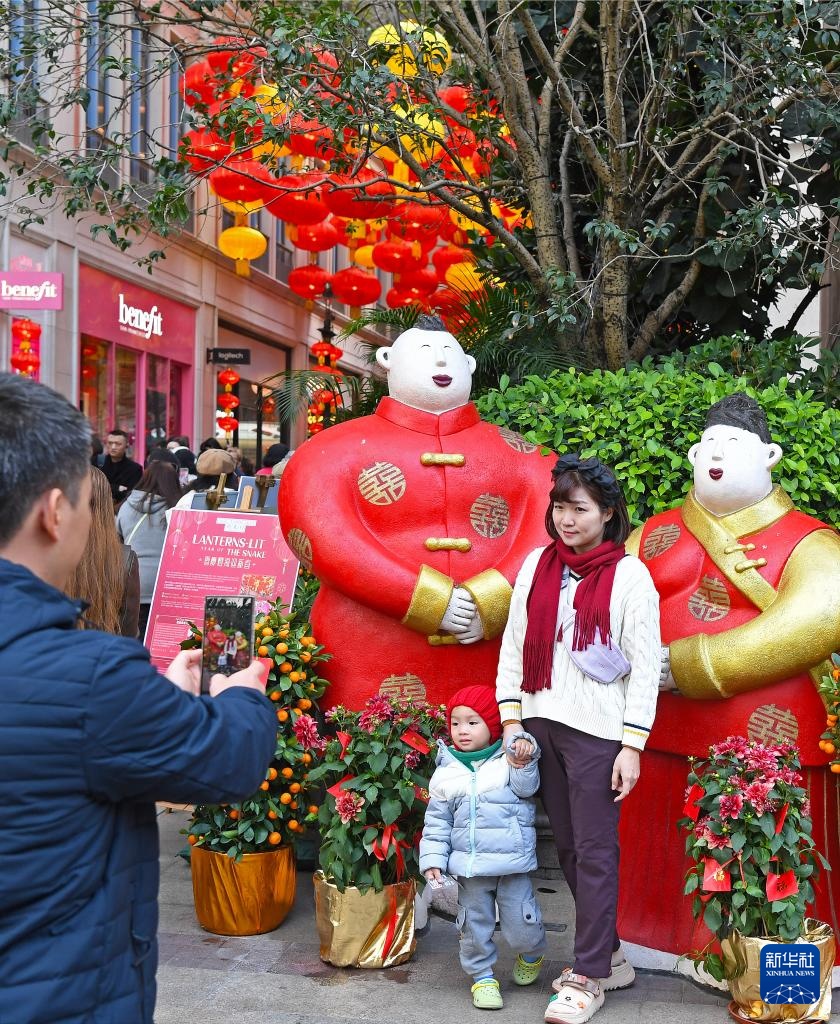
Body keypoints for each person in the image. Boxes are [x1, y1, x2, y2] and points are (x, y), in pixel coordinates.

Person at [0, 372, 277, 1024]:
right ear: (54, 510)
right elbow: (227, 760)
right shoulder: (93, 678)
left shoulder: (101, 688)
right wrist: (239, 694)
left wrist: (152, 706)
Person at [619, 393, 840, 976]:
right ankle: (649, 937)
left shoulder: (811, 541)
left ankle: (765, 964)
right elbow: (609, 603)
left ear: (769, 456)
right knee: (658, 848)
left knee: (762, 843)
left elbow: (818, 617)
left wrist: (691, 664)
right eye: (709, 446)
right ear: (692, 455)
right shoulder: (652, 533)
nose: (717, 456)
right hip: (660, 726)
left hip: (770, 725)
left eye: (733, 447)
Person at [279, 314, 552, 710]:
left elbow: (550, 530)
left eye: (449, 354)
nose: (440, 363)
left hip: (496, 651)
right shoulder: (329, 452)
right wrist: (425, 598)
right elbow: (322, 534)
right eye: (425, 352)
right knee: (364, 755)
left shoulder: (525, 455)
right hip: (367, 645)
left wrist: (493, 598)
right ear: (388, 359)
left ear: (469, 365)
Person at [496, 454, 661, 1024]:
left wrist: (632, 745)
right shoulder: (538, 565)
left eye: (580, 509)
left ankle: (587, 974)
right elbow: (514, 646)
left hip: (598, 735)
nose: (567, 519)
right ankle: (611, 956)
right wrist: (512, 718)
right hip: (541, 723)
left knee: (594, 851)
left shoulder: (631, 576)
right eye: (560, 507)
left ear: (608, 513)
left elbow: (643, 666)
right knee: (567, 846)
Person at [420, 684, 546, 1011]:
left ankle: (532, 952)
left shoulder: (507, 760)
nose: (462, 730)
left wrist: (523, 759)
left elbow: (527, 787)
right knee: (474, 925)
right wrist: (433, 858)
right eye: (456, 723)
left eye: (473, 722)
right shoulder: (446, 772)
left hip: (511, 864)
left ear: (492, 725)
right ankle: (482, 977)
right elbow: (437, 822)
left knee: (522, 925)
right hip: (471, 869)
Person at [66, 466, 141, 638]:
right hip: (105, 659)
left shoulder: (46, 554)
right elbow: (128, 632)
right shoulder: (125, 559)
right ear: (107, 504)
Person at [116, 458, 183, 638]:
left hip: (131, 582)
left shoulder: (127, 506)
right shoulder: (177, 511)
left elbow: (118, 537)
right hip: (167, 584)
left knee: (135, 637)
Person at [101, 428, 143, 507]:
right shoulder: (97, 462)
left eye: (118, 444)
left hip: (122, 511)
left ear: (126, 445)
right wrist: (117, 488)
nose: (113, 447)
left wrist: (107, 487)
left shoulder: (135, 469)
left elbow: (132, 495)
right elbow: (92, 488)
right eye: (110, 443)